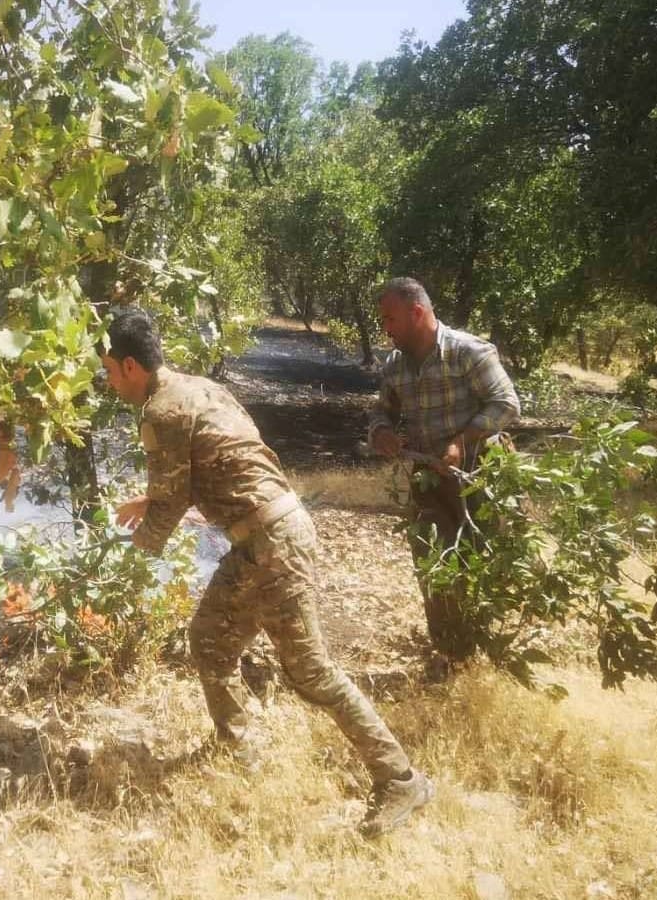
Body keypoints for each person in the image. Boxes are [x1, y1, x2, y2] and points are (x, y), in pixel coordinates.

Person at [102, 306, 432, 837]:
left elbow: (170, 506)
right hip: (274, 532)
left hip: (270, 542)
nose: (108, 381)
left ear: (132, 366)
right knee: (210, 640)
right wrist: (153, 497)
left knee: (310, 670)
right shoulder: (199, 388)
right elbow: (218, 461)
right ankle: (238, 748)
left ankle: (399, 779)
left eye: (110, 370)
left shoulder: (159, 412)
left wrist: (125, 557)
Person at [367, 277, 520, 660]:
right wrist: (382, 431)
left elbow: (506, 404)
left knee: (480, 563)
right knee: (432, 563)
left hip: (479, 478)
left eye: (390, 319)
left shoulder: (469, 352)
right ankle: (452, 654)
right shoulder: (395, 364)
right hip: (428, 481)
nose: (385, 328)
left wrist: (461, 442)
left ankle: (489, 653)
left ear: (417, 312)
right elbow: (382, 411)